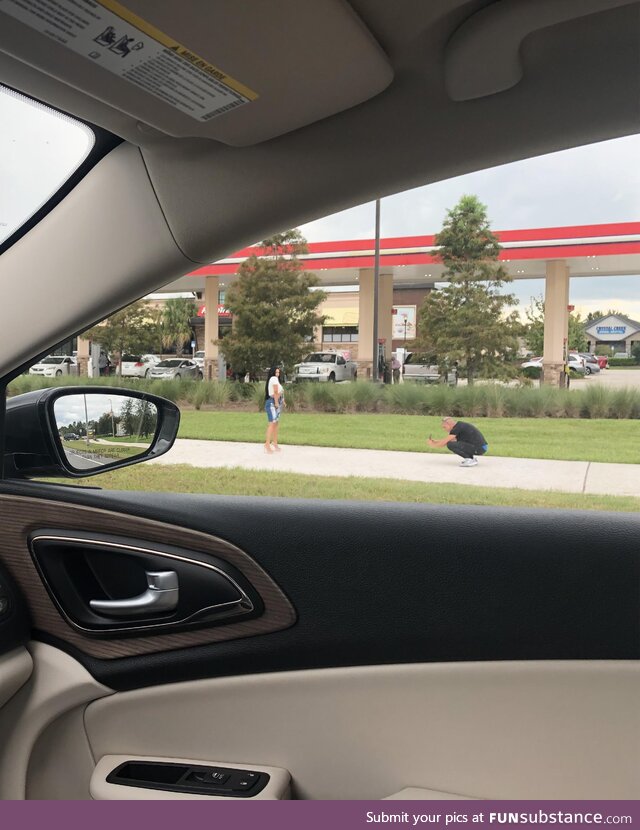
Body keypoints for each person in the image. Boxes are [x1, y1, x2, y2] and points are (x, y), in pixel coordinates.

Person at [264, 366, 285, 453]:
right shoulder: (273, 379)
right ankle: (267, 444)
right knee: (272, 423)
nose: (277, 374)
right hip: (272, 403)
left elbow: (280, 392)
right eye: (276, 372)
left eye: (278, 372)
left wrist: (282, 401)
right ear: (272, 373)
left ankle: (274, 443)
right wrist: (276, 403)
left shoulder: (276, 380)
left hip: (277, 402)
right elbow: (275, 392)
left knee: (276, 423)